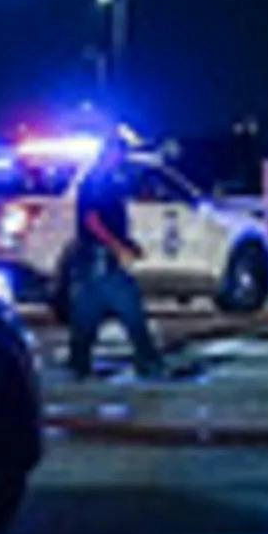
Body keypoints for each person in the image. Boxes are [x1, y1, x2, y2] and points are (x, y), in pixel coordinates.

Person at [62, 141, 167, 380]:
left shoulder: (106, 181)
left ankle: (79, 362)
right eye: (120, 155)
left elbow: (107, 220)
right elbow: (92, 220)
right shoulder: (97, 183)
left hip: (95, 260)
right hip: (101, 258)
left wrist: (128, 243)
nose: (122, 160)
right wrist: (118, 247)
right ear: (110, 155)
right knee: (130, 309)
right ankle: (148, 361)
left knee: (87, 314)